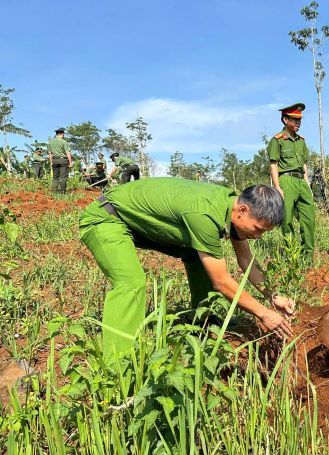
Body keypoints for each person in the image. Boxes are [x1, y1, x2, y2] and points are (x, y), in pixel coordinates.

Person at [79, 178, 295, 364]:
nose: (258, 236)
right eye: (258, 229)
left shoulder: (230, 209)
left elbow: (246, 259)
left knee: (198, 255)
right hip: (106, 219)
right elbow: (221, 281)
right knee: (131, 282)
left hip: (139, 223)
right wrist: (263, 313)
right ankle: (118, 363)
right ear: (243, 210)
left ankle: (203, 321)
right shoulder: (205, 214)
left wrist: (273, 296)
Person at [267, 103, 315, 259]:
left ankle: (308, 256)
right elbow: (273, 164)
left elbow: (305, 164)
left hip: (302, 181)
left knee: (308, 219)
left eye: (299, 120)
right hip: (286, 180)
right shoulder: (277, 140)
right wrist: (277, 187)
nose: (298, 123)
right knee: (287, 219)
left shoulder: (301, 140)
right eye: (294, 120)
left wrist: (307, 184)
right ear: (285, 120)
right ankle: (292, 255)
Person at [48, 127, 73, 193]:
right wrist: (70, 162)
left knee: (55, 177)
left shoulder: (51, 142)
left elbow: (50, 153)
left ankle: (54, 191)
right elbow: (67, 152)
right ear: (62, 134)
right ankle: (62, 191)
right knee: (63, 177)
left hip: (55, 160)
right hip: (63, 160)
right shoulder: (64, 142)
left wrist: (51, 162)